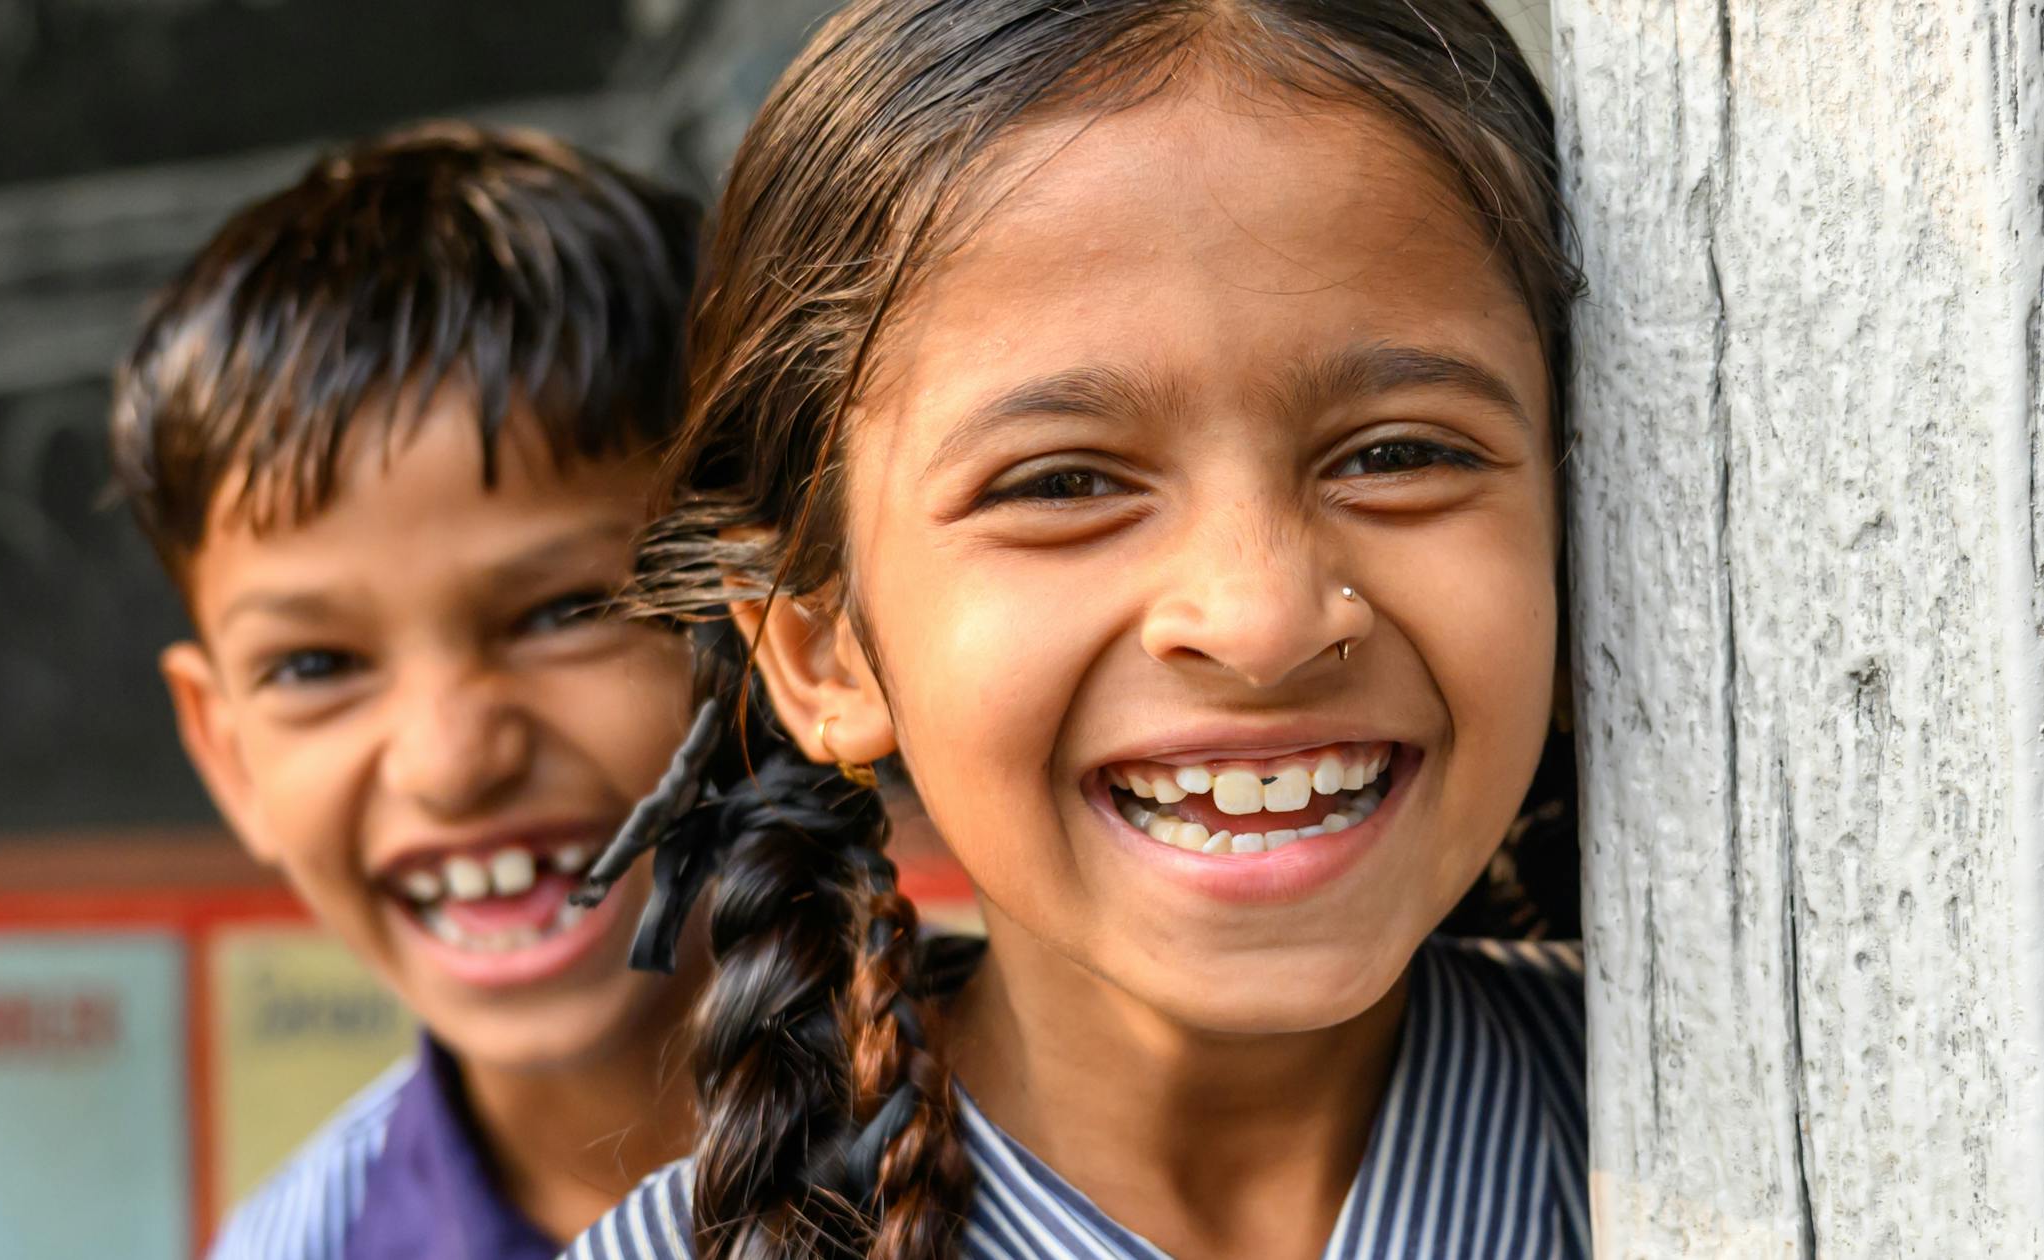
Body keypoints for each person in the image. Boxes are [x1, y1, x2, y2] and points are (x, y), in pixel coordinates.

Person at [560, 1, 1587, 1255]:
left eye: (1400, 454)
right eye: (1064, 484)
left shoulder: (1763, 1113)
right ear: (820, 644)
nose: (1260, 621)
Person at [111, 122, 720, 1257]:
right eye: (316, 667)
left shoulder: (1089, 1153)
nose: (451, 759)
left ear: (781, 628)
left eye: (562, 613)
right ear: (227, 752)